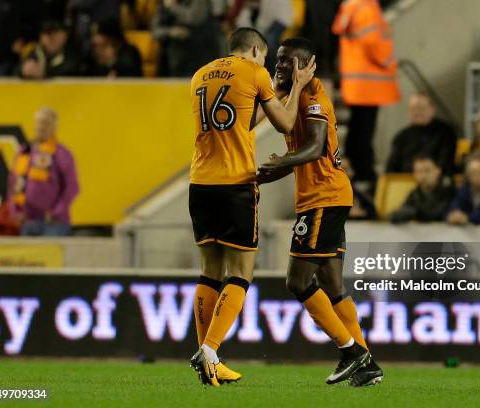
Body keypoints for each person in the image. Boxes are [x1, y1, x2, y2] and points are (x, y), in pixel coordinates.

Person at [188, 28, 316, 387]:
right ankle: (211, 350)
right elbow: (287, 123)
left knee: (210, 270)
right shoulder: (254, 72)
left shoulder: (201, 74)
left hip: (200, 183)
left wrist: (274, 96)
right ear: (257, 50)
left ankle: (207, 356)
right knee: (241, 272)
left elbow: (241, 121)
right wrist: (298, 88)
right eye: (265, 56)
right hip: (235, 184)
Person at [258, 38, 379, 387]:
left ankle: (352, 352)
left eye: (288, 62)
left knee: (297, 280)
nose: (281, 67)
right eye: (279, 60)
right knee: (331, 282)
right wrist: (272, 172)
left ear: (308, 66)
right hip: (329, 196)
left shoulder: (314, 99)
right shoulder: (290, 96)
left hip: (323, 199)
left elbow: (312, 148)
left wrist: (283, 162)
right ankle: (367, 363)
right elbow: (302, 151)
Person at [332, 0, 400, 196]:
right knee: (364, 133)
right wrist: (389, 61)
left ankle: (359, 171)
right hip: (370, 84)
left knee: (358, 131)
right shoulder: (366, 8)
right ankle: (364, 174)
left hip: (358, 83)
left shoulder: (352, 6)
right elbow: (372, 41)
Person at [9, 107, 79, 236]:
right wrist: (15, 212)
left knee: (50, 256)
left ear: (54, 127)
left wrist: (56, 212)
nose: (41, 127)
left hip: (53, 224)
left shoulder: (61, 154)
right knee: (28, 256)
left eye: (46, 123)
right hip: (27, 221)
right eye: (39, 122)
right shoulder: (24, 152)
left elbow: (72, 188)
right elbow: (13, 185)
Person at [386, 93, 457, 176]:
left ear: (432, 109)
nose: (417, 112)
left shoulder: (446, 132)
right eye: (414, 109)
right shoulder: (401, 137)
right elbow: (391, 166)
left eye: (421, 108)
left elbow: (445, 162)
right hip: (404, 181)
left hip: (434, 181)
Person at [152, 0, 223, 77]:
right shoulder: (165, 5)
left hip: (201, 52)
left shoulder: (200, 2)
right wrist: (171, 32)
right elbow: (155, 32)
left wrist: (172, 7)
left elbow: (193, 18)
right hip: (174, 55)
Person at [389, 155, 455, 223]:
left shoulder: (448, 192)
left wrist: (416, 212)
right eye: (419, 172)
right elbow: (397, 215)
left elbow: (441, 213)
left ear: (438, 171)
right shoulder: (414, 194)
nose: (423, 176)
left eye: (427, 171)